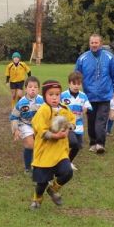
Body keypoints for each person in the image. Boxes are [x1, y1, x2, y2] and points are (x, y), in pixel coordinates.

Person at [30, 80, 76, 209]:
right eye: (51, 94)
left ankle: (53, 189)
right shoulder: (42, 111)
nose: (55, 97)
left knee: (68, 172)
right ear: (45, 96)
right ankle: (37, 199)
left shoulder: (65, 109)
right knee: (41, 183)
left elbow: (72, 121)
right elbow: (42, 132)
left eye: (57, 94)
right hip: (44, 154)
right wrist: (56, 135)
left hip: (60, 152)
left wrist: (68, 129)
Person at [74, 33, 114, 154]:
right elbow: (76, 76)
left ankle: (100, 144)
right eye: (92, 42)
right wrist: (76, 91)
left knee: (101, 121)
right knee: (91, 121)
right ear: (89, 43)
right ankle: (93, 142)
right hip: (89, 96)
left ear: (101, 43)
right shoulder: (82, 58)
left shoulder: (110, 58)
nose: (94, 45)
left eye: (96, 42)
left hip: (105, 95)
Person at [9, 76, 43, 174]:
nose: (33, 89)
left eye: (35, 87)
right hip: (25, 124)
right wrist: (15, 130)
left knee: (39, 146)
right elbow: (14, 117)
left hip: (39, 126)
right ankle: (28, 168)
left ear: (38, 89)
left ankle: (38, 165)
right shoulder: (21, 102)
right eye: (30, 87)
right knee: (30, 145)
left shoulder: (43, 100)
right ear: (26, 88)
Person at [60, 71, 92, 170]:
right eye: (74, 84)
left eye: (79, 84)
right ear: (69, 83)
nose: (76, 86)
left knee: (78, 146)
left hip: (79, 124)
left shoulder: (83, 96)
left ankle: (68, 162)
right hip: (67, 124)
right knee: (72, 142)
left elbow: (88, 106)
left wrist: (86, 108)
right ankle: (61, 159)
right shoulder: (63, 95)